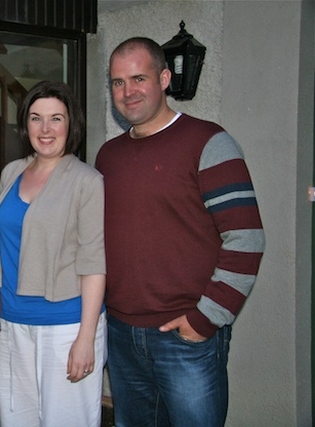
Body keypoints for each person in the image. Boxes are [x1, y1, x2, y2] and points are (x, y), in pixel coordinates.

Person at [95, 37, 265, 427]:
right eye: (118, 82)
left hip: (184, 335)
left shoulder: (208, 142)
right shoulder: (108, 156)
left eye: (139, 78)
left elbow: (247, 239)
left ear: (165, 78)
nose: (127, 91)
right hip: (121, 335)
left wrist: (205, 319)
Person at [0, 80, 107, 427]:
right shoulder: (12, 173)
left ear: (71, 125)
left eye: (56, 118)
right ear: (24, 124)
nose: (45, 129)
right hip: (12, 326)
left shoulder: (88, 180)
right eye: (36, 118)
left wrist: (86, 338)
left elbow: (93, 261)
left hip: (66, 327)